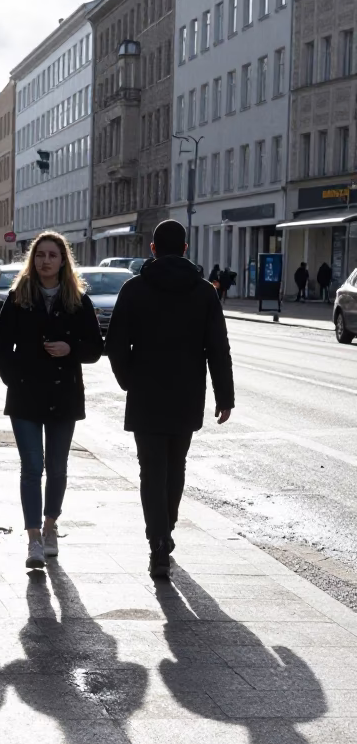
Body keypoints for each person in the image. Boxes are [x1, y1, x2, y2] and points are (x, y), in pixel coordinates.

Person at [105, 218, 235, 579]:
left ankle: (158, 541)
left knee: (151, 470)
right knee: (176, 466)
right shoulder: (204, 292)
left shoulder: (134, 288)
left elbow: (115, 344)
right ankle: (167, 529)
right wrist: (224, 396)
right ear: (185, 249)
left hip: (146, 393)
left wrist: (129, 380)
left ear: (152, 249)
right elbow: (218, 348)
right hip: (187, 392)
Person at [0, 231, 103, 569]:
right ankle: (33, 539)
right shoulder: (19, 297)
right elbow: (0, 346)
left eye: (52, 255)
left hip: (63, 394)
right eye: (40, 255)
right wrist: (14, 379)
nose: (45, 261)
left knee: (57, 467)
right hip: (25, 394)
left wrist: (71, 349)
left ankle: (50, 525)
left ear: (63, 260)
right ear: (33, 259)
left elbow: (96, 348)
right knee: (31, 467)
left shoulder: (77, 299)